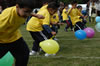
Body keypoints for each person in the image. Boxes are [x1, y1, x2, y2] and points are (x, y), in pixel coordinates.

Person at [0, 0, 44, 66]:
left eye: (30, 12)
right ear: (17, 6)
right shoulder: (6, 17)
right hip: (2, 41)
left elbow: (28, 11)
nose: (27, 14)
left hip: (15, 38)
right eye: (26, 12)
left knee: (23, 55)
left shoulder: (22, 10)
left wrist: (36, 15)